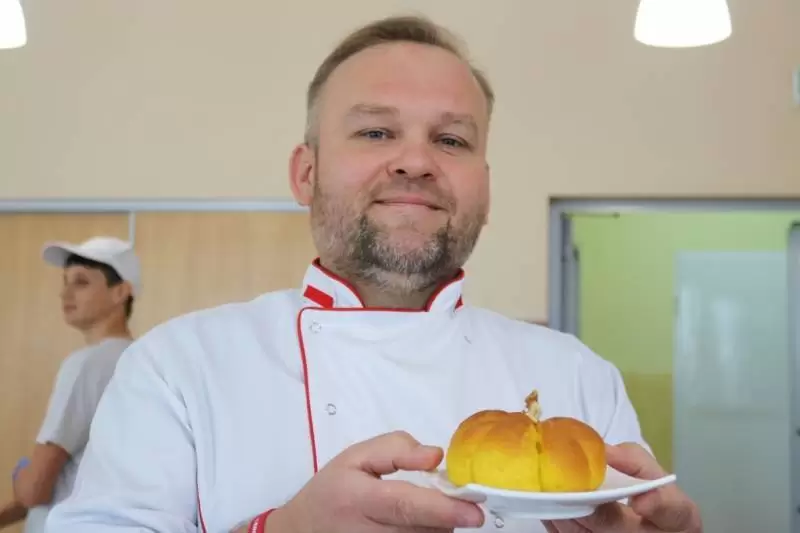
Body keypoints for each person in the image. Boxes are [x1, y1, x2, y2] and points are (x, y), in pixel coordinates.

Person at [45, 16, 702, 533]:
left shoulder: (577, 378)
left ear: (486, 190)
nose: (415, 161)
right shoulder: (178, 368)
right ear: (306, 174)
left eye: (451, 140)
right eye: (376, 133)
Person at [0, 237, 141, 533]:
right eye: (65, 282)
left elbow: (34, 491)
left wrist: (20, 477)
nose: (65, 293)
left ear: (121, 292)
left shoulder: (86, 365)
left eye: (81, 282)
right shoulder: (139, 359)